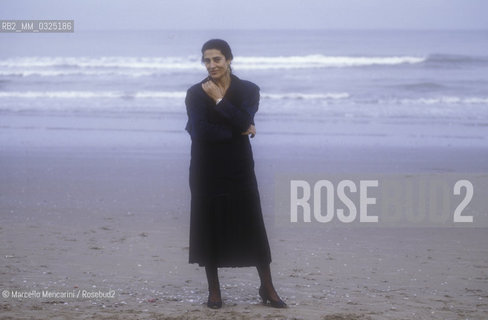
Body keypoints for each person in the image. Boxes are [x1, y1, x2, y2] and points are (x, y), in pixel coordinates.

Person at [185, 39, 287, 309]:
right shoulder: (195, 93)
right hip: (206, 168)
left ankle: (267, 286)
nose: (212, 65)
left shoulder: (249, 90)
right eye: (207, 60)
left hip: (240, 167)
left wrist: (218, 100)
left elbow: (246, 120)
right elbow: (201, 132)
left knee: (252, 222)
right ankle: (214, 291)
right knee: (210, 225)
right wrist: (238, 129)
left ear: (229, 60)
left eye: (217, 59)